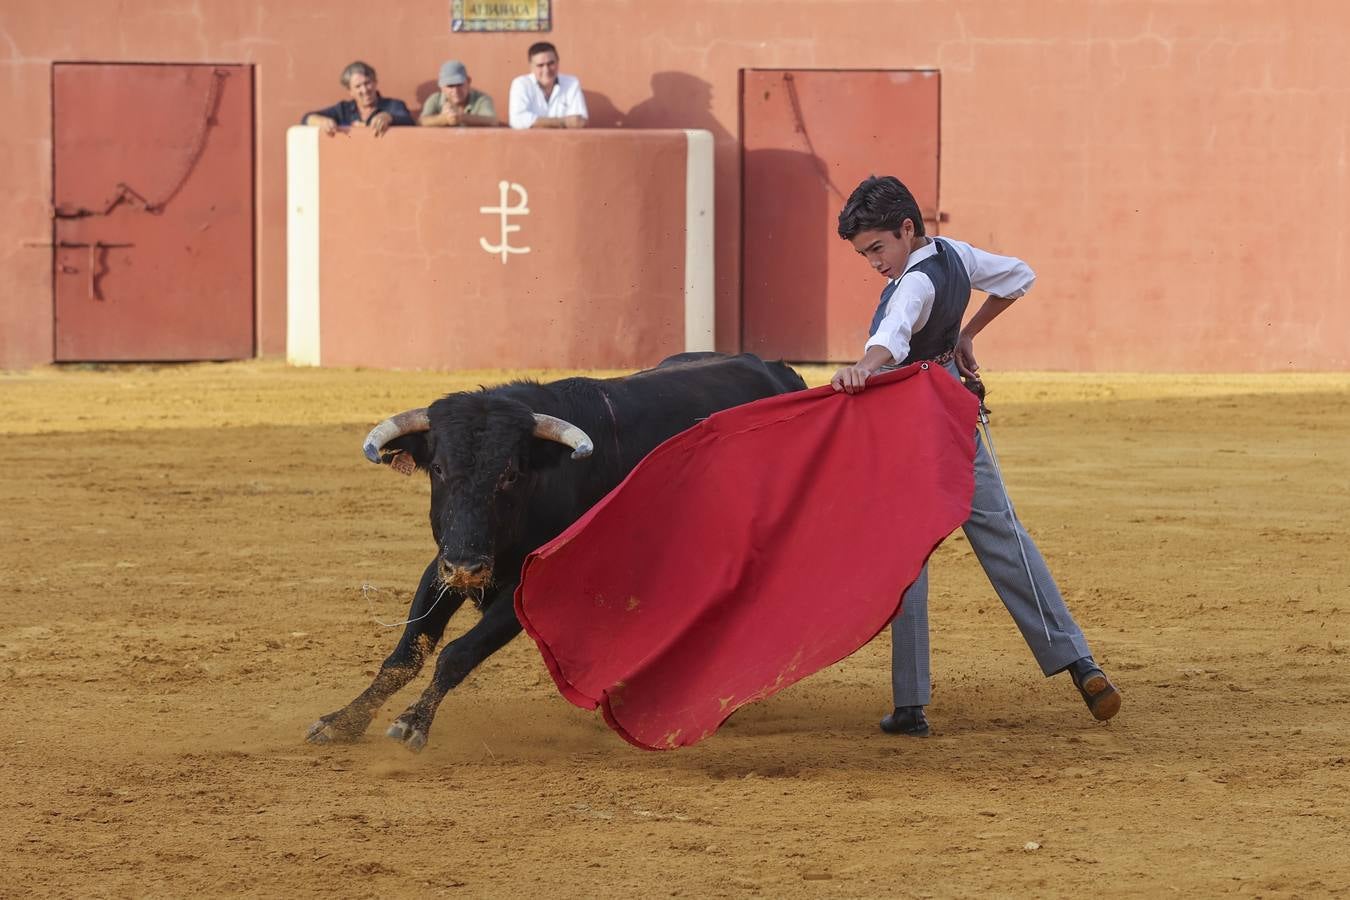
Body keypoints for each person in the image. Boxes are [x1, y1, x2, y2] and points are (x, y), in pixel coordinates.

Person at [831, 174, 1121, 737]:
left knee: (908, 550)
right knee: (1003, 534)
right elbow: (1019, 277)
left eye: (877, 249)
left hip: (907, 422)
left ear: (906, 229)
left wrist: (865, 367)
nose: (873, 264)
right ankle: (1080, 662)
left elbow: (894, 331)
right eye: (864, 254)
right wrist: (966, 334)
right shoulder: (955, 255)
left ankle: (911, 704)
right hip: (955, 409)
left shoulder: (912, 284)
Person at [302, 61, 414, 137]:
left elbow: (409, 121)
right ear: (350, 91)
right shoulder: (342, 109)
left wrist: (389, 117)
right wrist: (321, 121)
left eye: (367, 83)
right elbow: (306, 118)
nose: (364, 90)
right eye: (358, 86)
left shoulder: (393, 105)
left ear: (375, 82)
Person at [508, 41, 588, 129]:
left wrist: (535, 122)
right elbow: (517, 120)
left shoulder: (572, 83)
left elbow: (579, 121)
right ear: (531, 67)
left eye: (551, 64)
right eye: (540, 65)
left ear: (558, 62)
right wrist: (563, 122)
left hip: (564, 141)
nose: (546, 70)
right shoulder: (521, 84)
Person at [420, 60, 499, 128]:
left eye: (459, 84)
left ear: (468, 81)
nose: (455, 90)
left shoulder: (482, 99)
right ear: (442, 87)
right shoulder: (435, 99)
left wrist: (461, 117)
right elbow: (422, 121)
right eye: (450, 86)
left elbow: (492, 120)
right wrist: (444, 119)